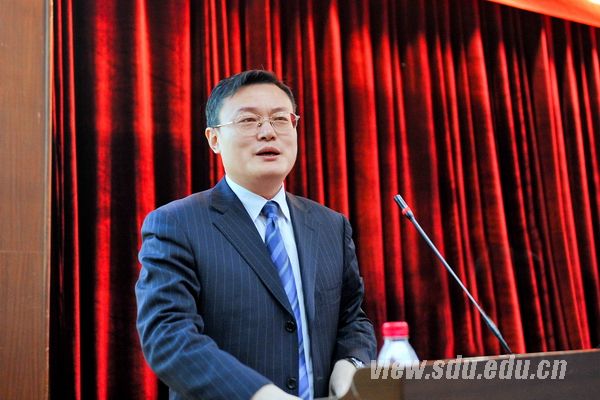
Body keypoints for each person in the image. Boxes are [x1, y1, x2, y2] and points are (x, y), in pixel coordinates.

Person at [135, 70, 376, 400]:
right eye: (248, 120)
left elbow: (352, 319)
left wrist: (351, 363)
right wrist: (258, 393)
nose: (268, 132)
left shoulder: (330, 225)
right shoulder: (177, 224)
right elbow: (168, 336)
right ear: (214, 139)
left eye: (280, 119)